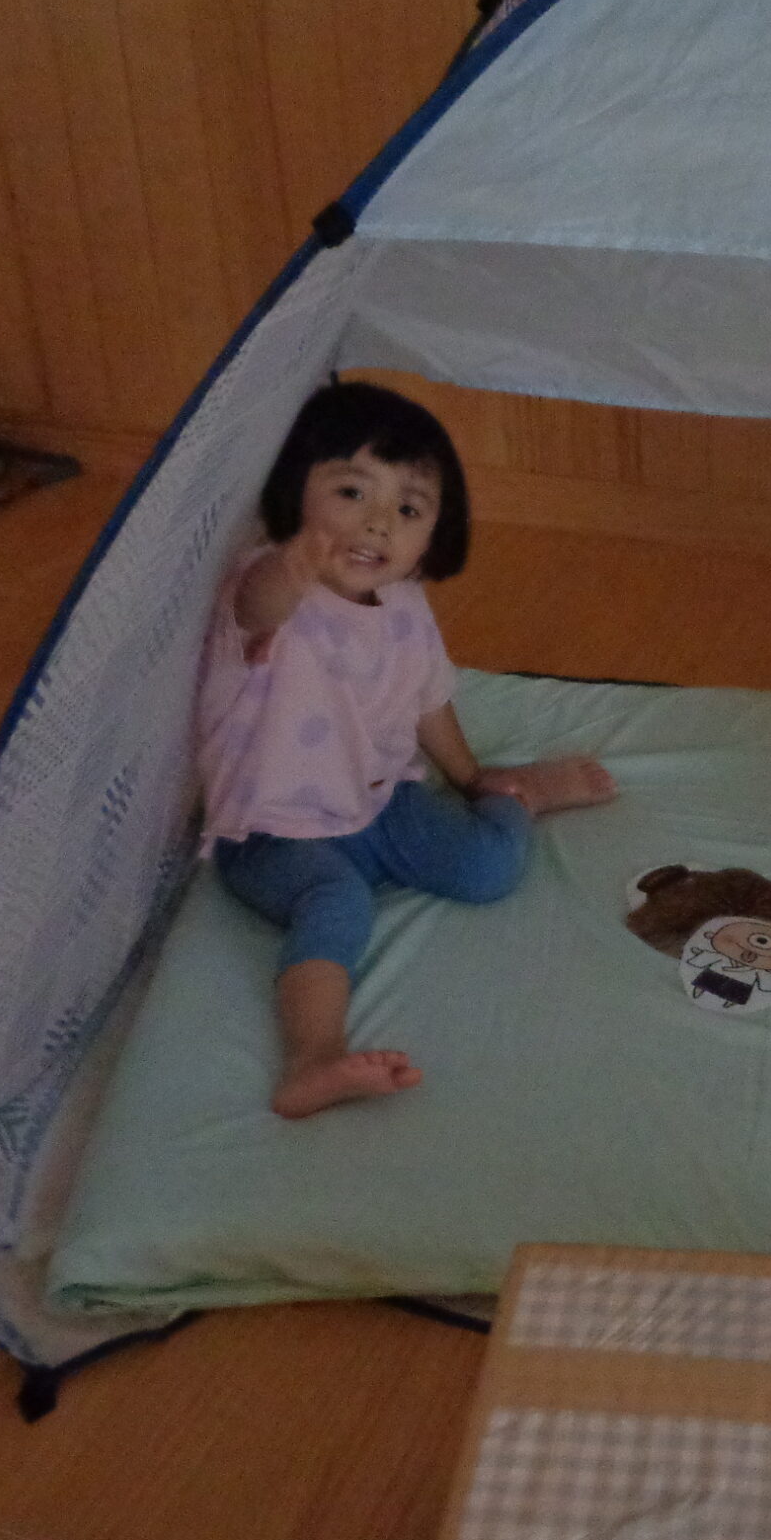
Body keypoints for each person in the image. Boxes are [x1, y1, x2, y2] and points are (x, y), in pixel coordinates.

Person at [196, 381, 615, 1118]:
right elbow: (255, 605)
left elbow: (427, 700)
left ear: (431, 536)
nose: (378, 523)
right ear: (295, 490)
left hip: (383, 802)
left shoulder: (406, 604)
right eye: (352, 492)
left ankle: (523, 793)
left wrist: (472, 776)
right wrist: (291, 565)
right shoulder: (268, 589)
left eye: (409, 510)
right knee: (338, 905)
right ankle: (313, 1058)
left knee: (489, 869)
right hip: (273, 833)